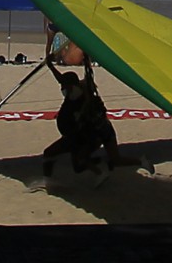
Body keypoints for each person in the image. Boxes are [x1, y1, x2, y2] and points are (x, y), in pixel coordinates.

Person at [40, 57, 118, 187]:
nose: (62, 88)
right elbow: (61, 79)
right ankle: (104, 161)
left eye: (64, 85)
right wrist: (50, 66)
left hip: (77, 135)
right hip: (74, 134)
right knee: (78, 167)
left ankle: (48, 182)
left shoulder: (76, 94)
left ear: (71, 86)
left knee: (49, 153)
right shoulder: (74, 90)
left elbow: (69, 84)